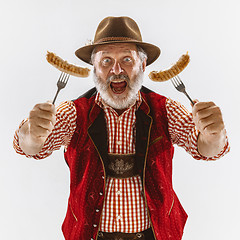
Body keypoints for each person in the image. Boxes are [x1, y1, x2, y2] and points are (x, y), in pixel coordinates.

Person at [13, 16, 230, 240]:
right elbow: (31, 148)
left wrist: (214, 134)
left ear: (143, 65)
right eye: (106, 61)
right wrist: (31, 133)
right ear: (94, 68)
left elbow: (206, 149)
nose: (117, 70)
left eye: (127, 59)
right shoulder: (75, 113)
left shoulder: (164, 110)